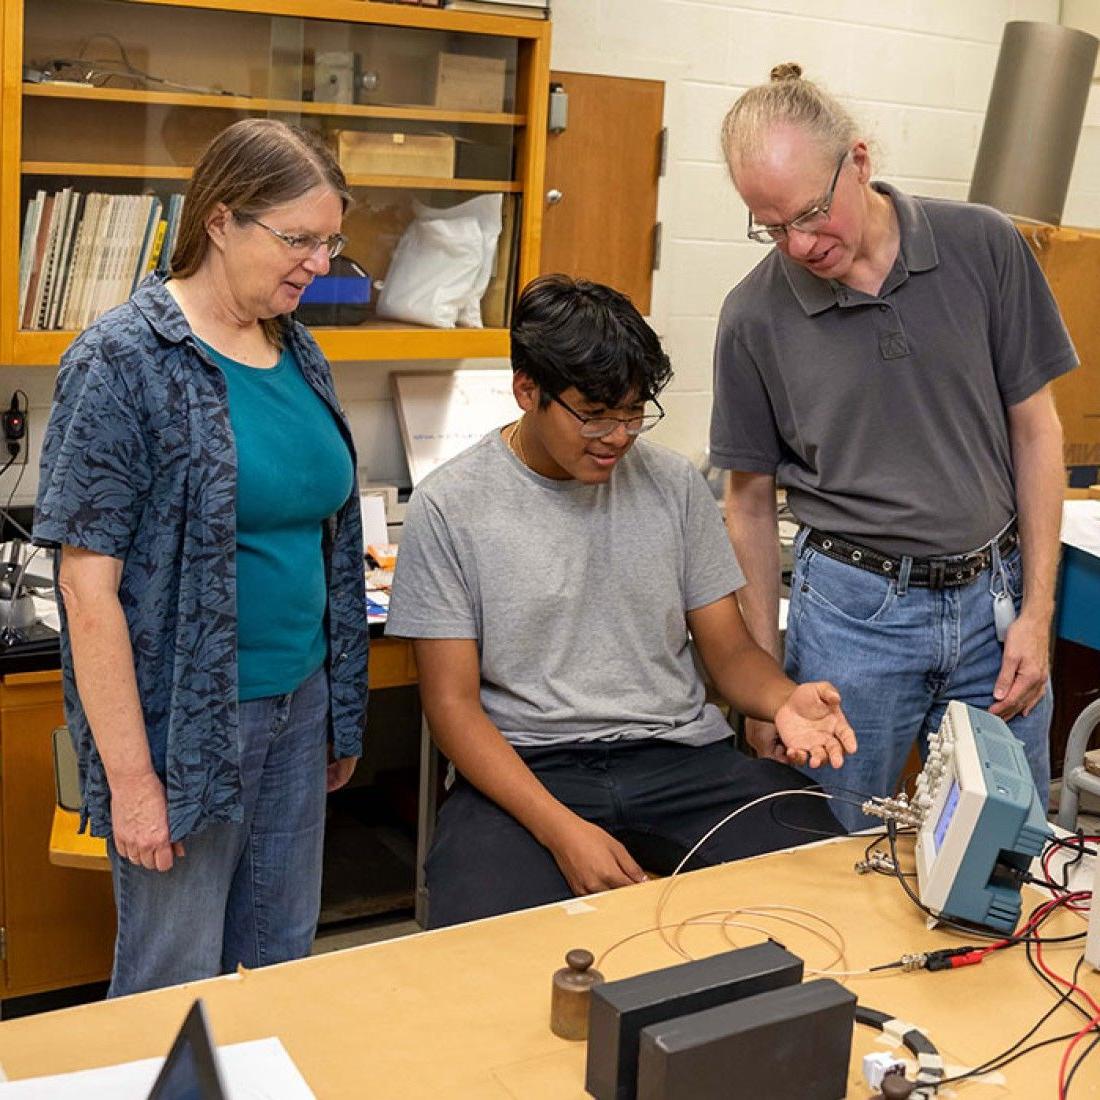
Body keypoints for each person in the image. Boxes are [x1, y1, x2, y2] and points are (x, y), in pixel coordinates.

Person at [386, 275, 856, 929]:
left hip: (680, 759)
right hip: (530, 767)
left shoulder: (673, 485)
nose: (617, 435)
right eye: (595, 413)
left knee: (827, 880)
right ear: (528, 389)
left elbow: (729, 652)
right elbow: (451, 708)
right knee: (479, 936)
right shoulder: (450, 505)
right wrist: (560, 830)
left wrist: (783, 700)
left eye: (634, 412)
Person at [35, 118, 369, 996]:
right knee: (171, 980)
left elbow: (324, 538)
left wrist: (337, 711)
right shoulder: (122, 361)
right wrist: (134, 782)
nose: (319, 264)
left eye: (330, 241)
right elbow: (86, 589)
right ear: (219, 222)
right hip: (186, 729)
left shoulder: (297, 347)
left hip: (299, 706)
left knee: (277, 964)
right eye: (298, 239)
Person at [710, 64, 1077, 831]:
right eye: (772, 226)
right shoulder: (753, 315)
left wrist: (1037, 614)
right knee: (835, 849)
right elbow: (745, 502)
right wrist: (766, 685)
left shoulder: (984, 244)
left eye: (811, 213)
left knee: (1005, 848)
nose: (800, 244)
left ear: (861, 161)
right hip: (853, 619)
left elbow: (1038, 430)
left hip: (993, 604)